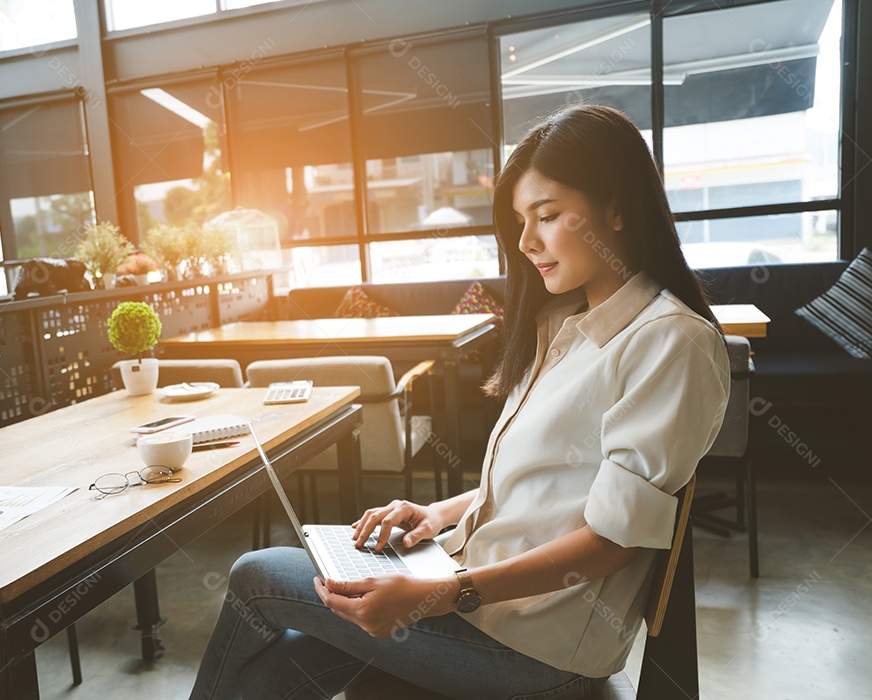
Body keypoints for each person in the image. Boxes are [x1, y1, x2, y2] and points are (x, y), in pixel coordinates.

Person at [188, 105, 731, 700]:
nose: (525, 241)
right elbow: (549, 483)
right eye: (521, 220)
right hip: (481, 600)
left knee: (255, 575)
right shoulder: (565, 324)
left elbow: (612, 540)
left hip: (536, 646)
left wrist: (443, 592)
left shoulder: (669, 341)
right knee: (278, 671)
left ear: (619, 209)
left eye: (546, 216)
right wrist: (438, 514)